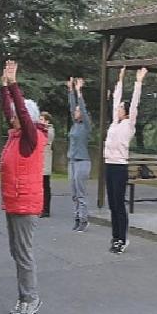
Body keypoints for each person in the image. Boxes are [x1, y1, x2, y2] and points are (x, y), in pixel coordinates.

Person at [0, 60, 47, 314]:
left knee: (24, 254)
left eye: (18, 116)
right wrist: (3, 86)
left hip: (25, 203)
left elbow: (20, 112)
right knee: (17, 253)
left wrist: (15, 85)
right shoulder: (16, 135)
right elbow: (9, 109)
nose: (13, 118)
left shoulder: (31, 136)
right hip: (13, 202)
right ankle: (24, 296)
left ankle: (31, 299)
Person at [104, 66, 147, 254]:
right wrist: (120, 80)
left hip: (120, 166)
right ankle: (115, 237)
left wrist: (138, 82)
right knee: (112, 203)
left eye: (122, 107)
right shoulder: (115, 123)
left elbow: (135, 103)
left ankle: (122, 238)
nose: (119, 108)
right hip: (109, 164)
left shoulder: (129, 124)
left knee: (119, 204)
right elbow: (115, 101)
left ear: (127, 111)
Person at [66, 77, 92, 231]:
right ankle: (77, 217)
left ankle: (84, 219)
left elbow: (80, 107)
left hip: (83, 161)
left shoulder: (86, 126)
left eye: (78, 111)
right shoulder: (75, 125)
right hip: (73, 161)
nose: (76, 111)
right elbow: (72, 107)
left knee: (80, 193)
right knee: (74, 193)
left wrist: (78, 91)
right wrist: (70, 91)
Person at [39, 111, 55, 218]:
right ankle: (40, 207)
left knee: (45, 186)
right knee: (40, 187)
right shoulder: (41, 130)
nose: (40, 121)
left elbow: (45, 140)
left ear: (46, 121)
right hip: (40, 161)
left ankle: (46, 209)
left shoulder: (49, 130)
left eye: (42, 119)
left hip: (45, 162)